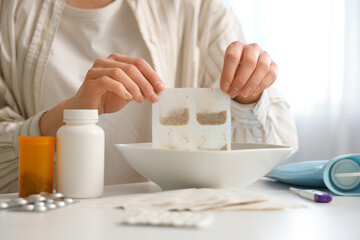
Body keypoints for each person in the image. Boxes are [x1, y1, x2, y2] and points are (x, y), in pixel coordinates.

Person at [0, 0, 298, 193]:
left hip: (177, 224)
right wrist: (69, 114)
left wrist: (248, 96)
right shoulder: (9, 14)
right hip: (49, 224)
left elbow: (279, 144)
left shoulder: (200, 9)